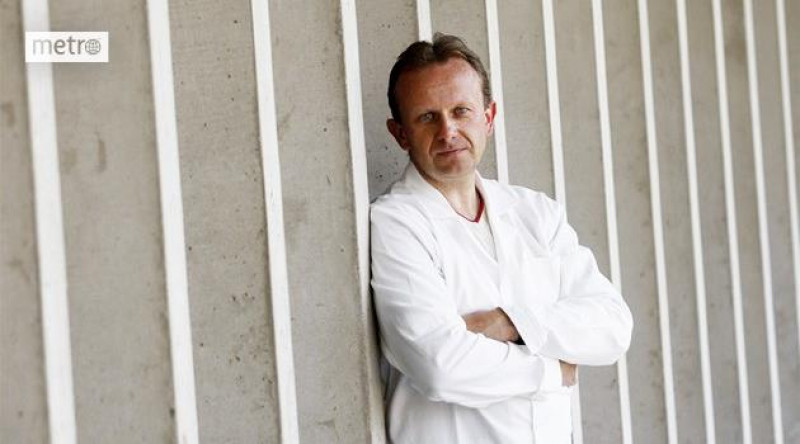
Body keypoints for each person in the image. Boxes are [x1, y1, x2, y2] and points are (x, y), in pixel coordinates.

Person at [370, 33, 633, 443]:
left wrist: (510, 322)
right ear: (400, 133)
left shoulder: (537, 213)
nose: (448, 131)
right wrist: (550, 370)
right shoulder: (397, 223)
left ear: (489, 117)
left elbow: (612, 326)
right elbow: (440, 365)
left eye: (461, 111)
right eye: (427, 117)